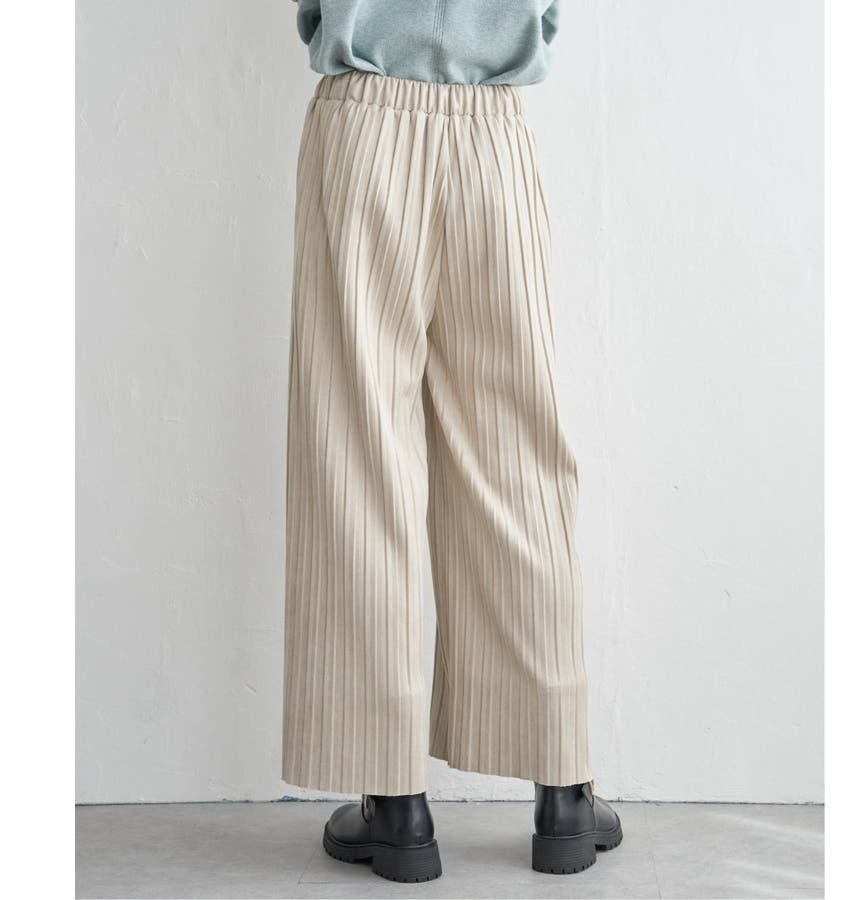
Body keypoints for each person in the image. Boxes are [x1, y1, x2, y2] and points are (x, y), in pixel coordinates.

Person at [282, 0, 623, 882]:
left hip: (363, 126)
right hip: (492, 140)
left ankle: (395, 806)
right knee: (519, 461)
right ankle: (564, 792)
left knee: (358, 456)